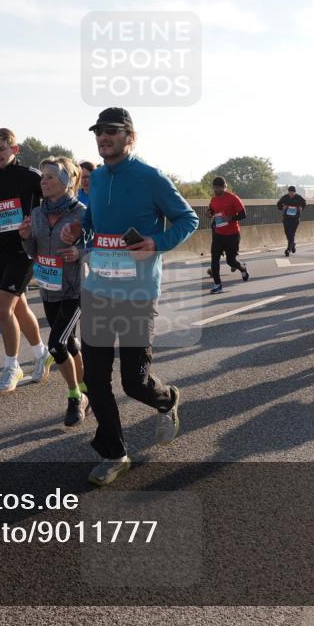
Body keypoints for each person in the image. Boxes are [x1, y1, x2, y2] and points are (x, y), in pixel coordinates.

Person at [62, 107, 198, 486]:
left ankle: (167, 399)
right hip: (98, 290)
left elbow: (188, 219)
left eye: (111, 131)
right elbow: (93, 221)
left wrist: (157, 241)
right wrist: (78, 228)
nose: (103, 137)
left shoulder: (151, 177)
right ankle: (114, 453)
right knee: (97, 379)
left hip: (138, 294)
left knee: (134, 382)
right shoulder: (98, 178)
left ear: (130, 137)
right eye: (98, 132)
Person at [0, 128, 52, 393]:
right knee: (18, 307)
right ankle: (42, 354)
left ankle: (11, 366)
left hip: (26, 250)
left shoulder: (30, 176)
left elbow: (56, 200)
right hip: (1, 251)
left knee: (2, 309)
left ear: (14, 150)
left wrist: (39, 224)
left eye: (1, 149)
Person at [20, 156, 90, 426]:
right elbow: (32, 252)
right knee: (70, 344)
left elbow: (100, 248)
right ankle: (86, 389)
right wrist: (25, 238)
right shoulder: (37, 214)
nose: (43, 181)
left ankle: (75, 397)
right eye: (42, 177)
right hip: (48, 288)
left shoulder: (82, 213)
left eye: (50, 177)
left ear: (66, 181)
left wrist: (79, 252)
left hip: (75, 290)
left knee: (57, 344)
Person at [207, 176, 249, 294]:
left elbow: (243, 215)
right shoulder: (214, 199)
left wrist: (230, 218)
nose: (217, 190)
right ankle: (217, 285)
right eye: (215, 187)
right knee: (214, 260)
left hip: (232, 234)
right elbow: (211, 210)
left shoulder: (233, 198)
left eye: (219, 187)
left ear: (225, 187)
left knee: (231, 261)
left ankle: (243, 268)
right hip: (218, 234)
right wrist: (209, 213)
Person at [276, 186, 307, 256]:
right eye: (290, 193)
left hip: (295, 219)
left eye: (292, 193)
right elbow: (278, 204)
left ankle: (288, 249)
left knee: (292, 233)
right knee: (287, 233)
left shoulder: (298, 197)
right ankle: (292, 244)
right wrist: (282, 207)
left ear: (295, 192)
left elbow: (304, 203)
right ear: (288, 192)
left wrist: (301, 208)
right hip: (286, 218)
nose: (291, 194)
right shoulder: (285, 197)